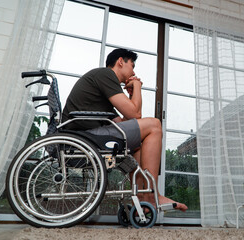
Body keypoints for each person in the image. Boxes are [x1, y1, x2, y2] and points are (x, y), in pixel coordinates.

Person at [62, 48, 188, 212]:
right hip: (83, 136)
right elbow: (136, 114)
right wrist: (137, 86)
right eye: (132, 65)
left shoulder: (102, 88)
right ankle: (151, 195)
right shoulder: (105, 75)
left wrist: (132, 94)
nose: (133, 71)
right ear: (120, 61)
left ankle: (144, 198)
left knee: (137, 141)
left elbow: (126, 123)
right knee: (155, 125)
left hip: (85, 134)